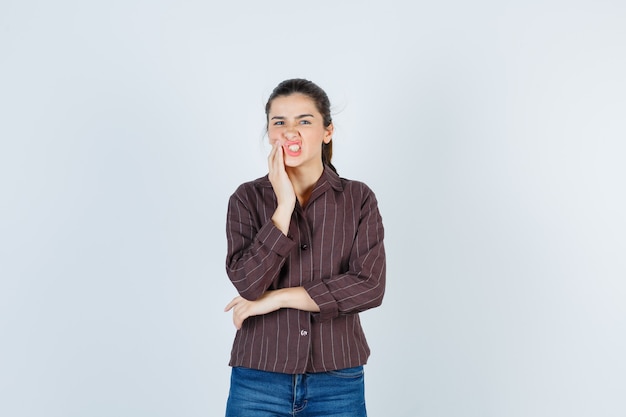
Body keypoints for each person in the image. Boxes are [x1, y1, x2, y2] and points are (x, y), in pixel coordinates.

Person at [223, 78, 386, 417]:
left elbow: (369, 287)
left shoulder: (358, 199)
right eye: (279, 122)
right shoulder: (246, 199)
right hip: (258, 378)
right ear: (269, 133)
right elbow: (248, 284)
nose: (290, 131)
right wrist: (283, 207)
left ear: (327, 131)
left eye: (304, 121)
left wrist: (277, 298)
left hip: (338, 380)